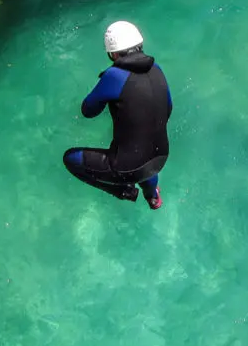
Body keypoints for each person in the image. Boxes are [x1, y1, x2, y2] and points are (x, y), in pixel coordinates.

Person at [63, 21, 172, 209]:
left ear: (113, 54)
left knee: (70, 158)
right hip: (161, 157)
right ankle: (152, 195)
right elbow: (168, 108)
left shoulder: (114, 76)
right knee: (144, 152)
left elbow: (88, 111)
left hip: (127, 168)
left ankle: (125, 191)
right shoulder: (158, 69)